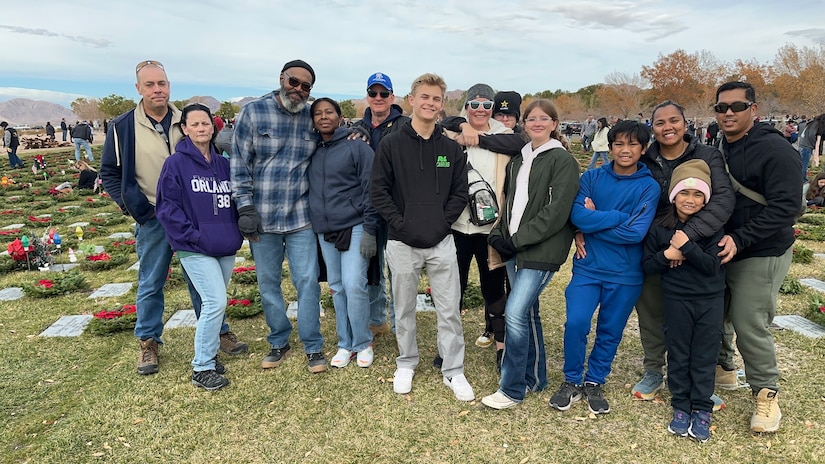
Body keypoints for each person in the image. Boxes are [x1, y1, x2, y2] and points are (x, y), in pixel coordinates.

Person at [101, 59, 248, 376]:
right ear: (139, 88)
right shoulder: (124, 126)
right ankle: (149, 342)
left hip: (199, 215)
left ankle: (217, 332)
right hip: (154, 215)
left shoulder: (188, 118)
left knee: (204, 285)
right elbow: (110, 173)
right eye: (150, 84)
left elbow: (220, 152)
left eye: (162, 83)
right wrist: (132, 207)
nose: (158, 90)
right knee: (152, 281)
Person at [370, 72, 474, 401]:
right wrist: (400, 223)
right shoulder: (392, 144)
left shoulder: (449, 148)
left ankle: (454, 370)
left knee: (448, 309)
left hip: (441, 241)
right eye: (424, 97)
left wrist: (442, 223)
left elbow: (460, 192)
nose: (430, 103)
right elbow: (379, 191)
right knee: (404, 308)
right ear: (412, 100)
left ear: (442, 106)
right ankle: (406, 361)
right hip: (402, 242)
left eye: (437, 99)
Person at [550, 120, 659, 415]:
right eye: (619, 144)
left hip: (626, 274)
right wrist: (616, 217)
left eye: (633, 144)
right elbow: (578, 218)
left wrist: (595, 220)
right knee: (576, 323)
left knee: (610, 331)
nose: (625, 150)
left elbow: (636, 234)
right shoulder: (592, 177)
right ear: (609, 148)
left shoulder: (649, 186)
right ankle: (572, 380)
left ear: (644, 148)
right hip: (588, 267)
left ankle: (594, 381)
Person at [631, 100, 734, 409]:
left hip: (697, 243)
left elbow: (723, 199)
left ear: (685, 123)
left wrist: (685, 240)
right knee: (651, 312)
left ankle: (701, 383)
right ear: (653, 128)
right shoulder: (646, 159)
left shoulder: (707, 155)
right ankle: (653, 370)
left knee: (701, 320)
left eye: (674, 120)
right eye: (660, 122)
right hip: (654, 244)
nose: (668, 127)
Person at [480, 99, 580, 410]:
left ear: (554, 123)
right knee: (529, 314)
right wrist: (499, 236)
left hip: (540, 250)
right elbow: (508, 203)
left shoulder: (562, 161)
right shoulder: (519, 159)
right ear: (524, 123)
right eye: (531, 118)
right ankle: (535, 377)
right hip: (514, 248)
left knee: (515, 313)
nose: (536, 123)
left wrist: (518, 240)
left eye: (543, 119)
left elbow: (556, 212)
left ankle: (511, 389)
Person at [714, 81, 801, 433]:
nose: (729, 113)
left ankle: (766, 395)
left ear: (754, 109)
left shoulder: (775, 150)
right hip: (724, 247)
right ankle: (723, 369)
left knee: (749, 321)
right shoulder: (720, 145)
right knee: (715, 312)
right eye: (722, 108)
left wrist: (740, 237)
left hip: (762, 249)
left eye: (737, 106)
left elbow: (788, 208)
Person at [231, 59, 327, 374]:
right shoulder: (253, 113)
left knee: (307, 282)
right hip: (263, 218)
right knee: (268, 282)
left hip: (300, 217)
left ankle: (313, 344)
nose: (298, 90)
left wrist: (358, 135)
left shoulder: (311, 117)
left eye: (306, 86)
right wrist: (244, 206)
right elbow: (240, 163)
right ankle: (279, 340)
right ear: (282, 79)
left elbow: (335, 131)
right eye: (294, 82)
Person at [156, 103, 243, 391]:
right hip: (194, 246)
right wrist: (192, 236)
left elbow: (233, 202)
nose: (201, 128)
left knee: (216, 302)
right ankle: (202, 366)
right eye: (194, 124)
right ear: (184, 129)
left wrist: (237, 232)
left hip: (224, 243)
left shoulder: (224, 164)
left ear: (213, 126)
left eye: (205, 123)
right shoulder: (175, 164)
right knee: (215, 301)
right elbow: (167, 208)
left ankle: (210, 353)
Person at [643, 160, 724, 443]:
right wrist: (668, 255)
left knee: (704, 354)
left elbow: (713, 266)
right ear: (674, 195)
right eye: (684, 193)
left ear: (706, 199)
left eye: (698, 194)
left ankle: (701, 407)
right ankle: (680, 405)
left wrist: (686, 247)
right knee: (679, 353)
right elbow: (648, 265)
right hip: (677, 300)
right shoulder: (660, 228)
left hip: (709, 301)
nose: (690, 200)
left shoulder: (713, 229)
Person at [307, 97, 378, 368]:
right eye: (318, 114)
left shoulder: (356, 147)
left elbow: (371, 188)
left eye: (329, 112)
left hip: (355, 225)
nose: (323, 117)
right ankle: (344, 342)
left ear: (339, 116)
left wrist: (370, 229)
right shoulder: (311, 148)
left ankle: (363, 341)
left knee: (354, 284)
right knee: (336, 287)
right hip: (325, 228)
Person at [447, 83, 511, 368]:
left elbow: (516, 144)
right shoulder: (452, 131)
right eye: (474, 104)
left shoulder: (504, 134)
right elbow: (442, 122)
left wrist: (476, 138)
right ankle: (449, 346)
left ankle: (501, 347)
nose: (481, 110)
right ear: (466, 106)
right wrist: (463, 126)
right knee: (453, 288)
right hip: (457, 225)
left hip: (490, 227)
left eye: (487, 105)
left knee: (494, 288)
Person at [352, 72, 410, 336]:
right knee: (372, 268)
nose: (378, 98)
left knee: (398, 271)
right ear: (367, 96)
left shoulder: (405, 125)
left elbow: (442, 125)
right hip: (367, 210)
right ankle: (377, 320)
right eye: (373, 93)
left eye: (383, 94)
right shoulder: (356, 129)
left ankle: (401, 325)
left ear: (392, 97)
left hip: (398, 209)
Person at [799, 113, 825, 183]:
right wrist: (816, 149)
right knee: (804, 165)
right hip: (806, 146)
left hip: (802, 144)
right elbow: (816, 136)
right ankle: (802, 180)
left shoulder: (812, 123)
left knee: (802, 164)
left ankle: (802, 179)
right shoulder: (818, 126)